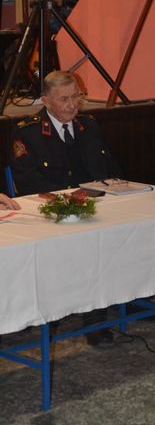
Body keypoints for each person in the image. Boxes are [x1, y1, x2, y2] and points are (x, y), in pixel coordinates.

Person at [10, 70, 121, 346]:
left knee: (111, 237)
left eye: (76, 97)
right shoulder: (28, 132)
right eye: (64, 99)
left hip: (92, 208)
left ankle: (98, 317)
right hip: (49, 213)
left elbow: (108, 170)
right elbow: (27, 182)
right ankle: (50, 313)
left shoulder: (89, 126)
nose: (73, 105)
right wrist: (68, 202)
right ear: (46, 101)